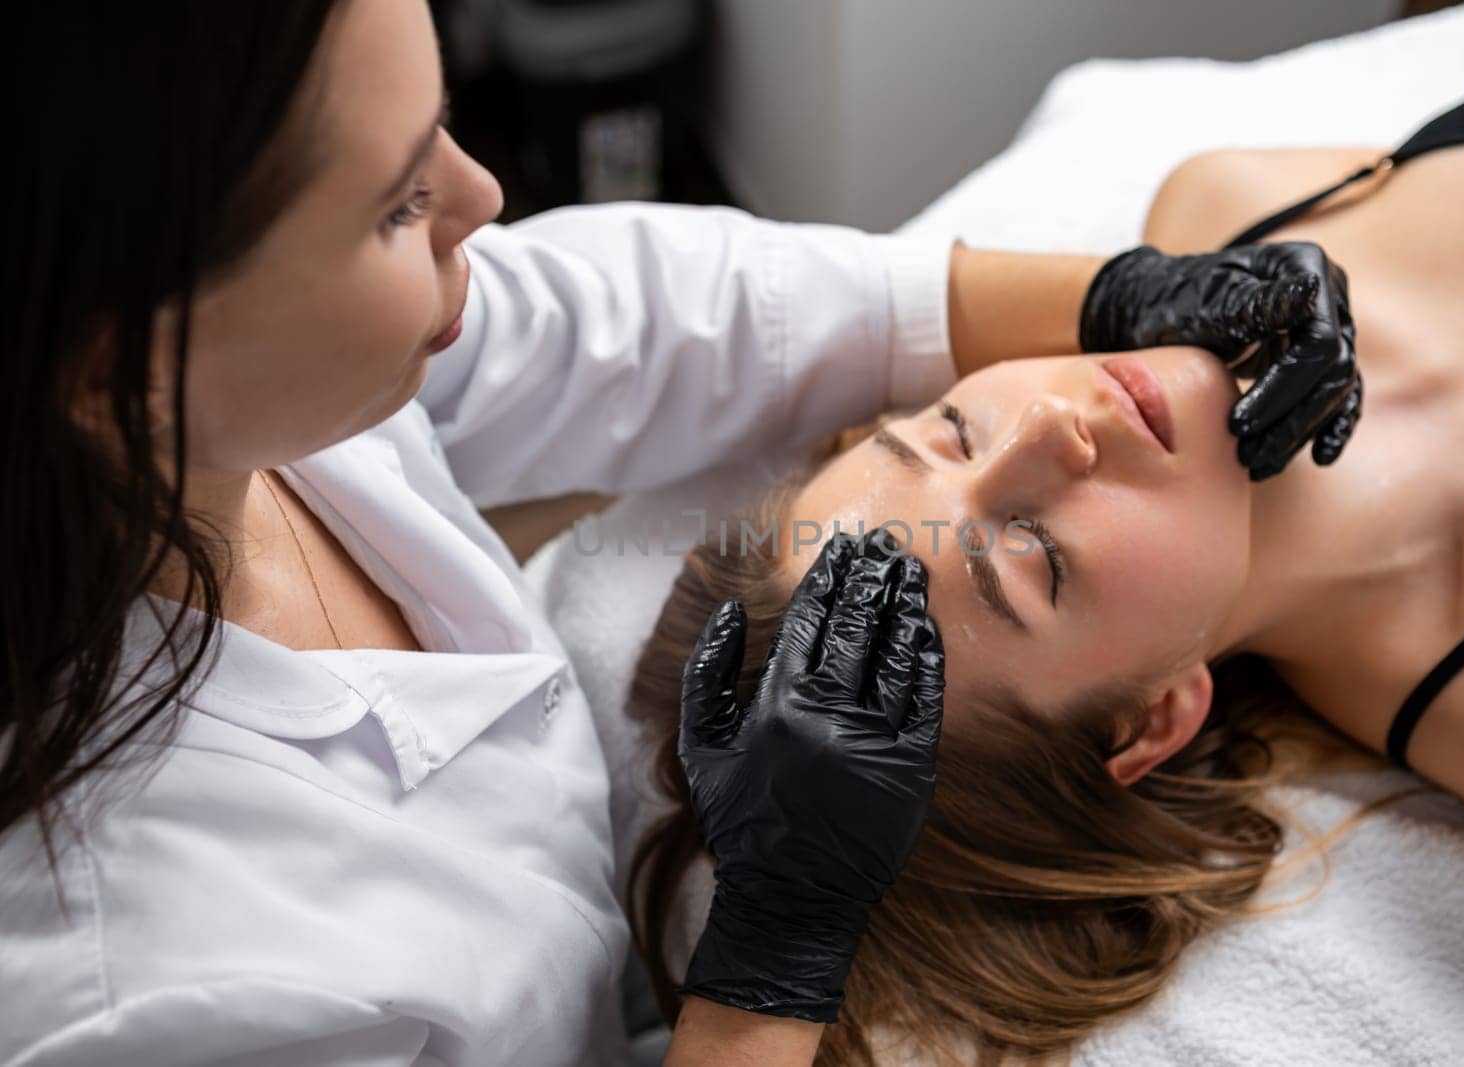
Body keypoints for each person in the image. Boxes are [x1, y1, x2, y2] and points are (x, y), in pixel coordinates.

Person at [0, 2, 1359, 1065]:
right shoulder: (146, 981)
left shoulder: (242, 401)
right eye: (397, 206)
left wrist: (1117, 291)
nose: (486, 198)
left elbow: (626, 316)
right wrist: (775, 952)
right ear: (116, 362)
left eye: (933, 424)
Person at [627, 70, 1464, 1064]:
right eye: (1037, 554)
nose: (1049, 424)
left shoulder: (1217, 206)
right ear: (1151, 720)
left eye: (954, 430)